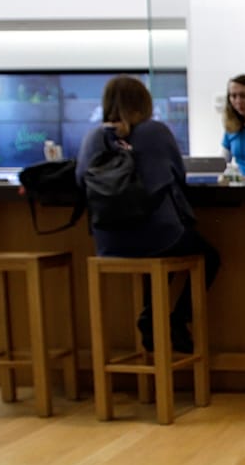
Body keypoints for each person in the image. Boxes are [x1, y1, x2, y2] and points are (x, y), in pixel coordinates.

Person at [77, 75, 220, 353]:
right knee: (206, 256)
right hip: (160, 236)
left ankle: (151, 319)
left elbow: (80, 180)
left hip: (109, 244)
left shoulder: (93, 137)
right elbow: (176, 174)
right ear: (144, 101)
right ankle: (175, 319)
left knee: (154, 255)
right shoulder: (154, 132)